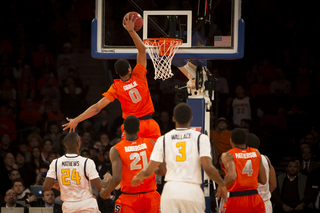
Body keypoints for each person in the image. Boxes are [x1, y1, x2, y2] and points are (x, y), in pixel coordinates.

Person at [62, 15, 161, 142]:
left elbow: (97, 108)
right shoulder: (139, 75)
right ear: (130, 69)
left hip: (131, 126)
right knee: (156, 157)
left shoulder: (116, 87)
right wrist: (131, 31)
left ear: (116, 73)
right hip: (149, 123)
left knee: (131, 158)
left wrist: (77, 119)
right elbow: (142, 50)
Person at [132, 103, 228, 213]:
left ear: (173, 119)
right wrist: (222, 184)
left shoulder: (163, 139)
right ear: (191, 118)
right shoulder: (201, 138)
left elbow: (149, 170)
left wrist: (140, 175)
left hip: (170, 190)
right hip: (192, 190)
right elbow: (209, 169)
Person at [99, 115, 161, 213]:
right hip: (151, 196)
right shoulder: (151, 143)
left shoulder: (116, 149)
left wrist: (106, 191)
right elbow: (161, 170)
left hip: (129, 198)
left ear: (123, 129)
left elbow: (116, 179)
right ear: (139, 129)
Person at [43, 132, 103, 213]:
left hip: (69, 207)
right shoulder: (87, 162)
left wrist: (59, 184)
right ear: (79, 144)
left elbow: (46, 187)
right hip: (87, 204)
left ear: (64, 144)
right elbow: (99, 187)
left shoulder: (56, 162)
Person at [220, 128, 267, 213]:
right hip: (255, 199)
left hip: (237, 199)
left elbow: (231, 176)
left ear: (231, 141)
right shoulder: (256, 153)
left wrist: (221, 186)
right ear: (246, 140)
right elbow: (263, 180)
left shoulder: (229, 154)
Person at [246, 133, 277, 213]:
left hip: (249, 204)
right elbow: (273, 184)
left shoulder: (241, 159)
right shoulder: (266, 159)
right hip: (265, 203)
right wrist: (265, 196)